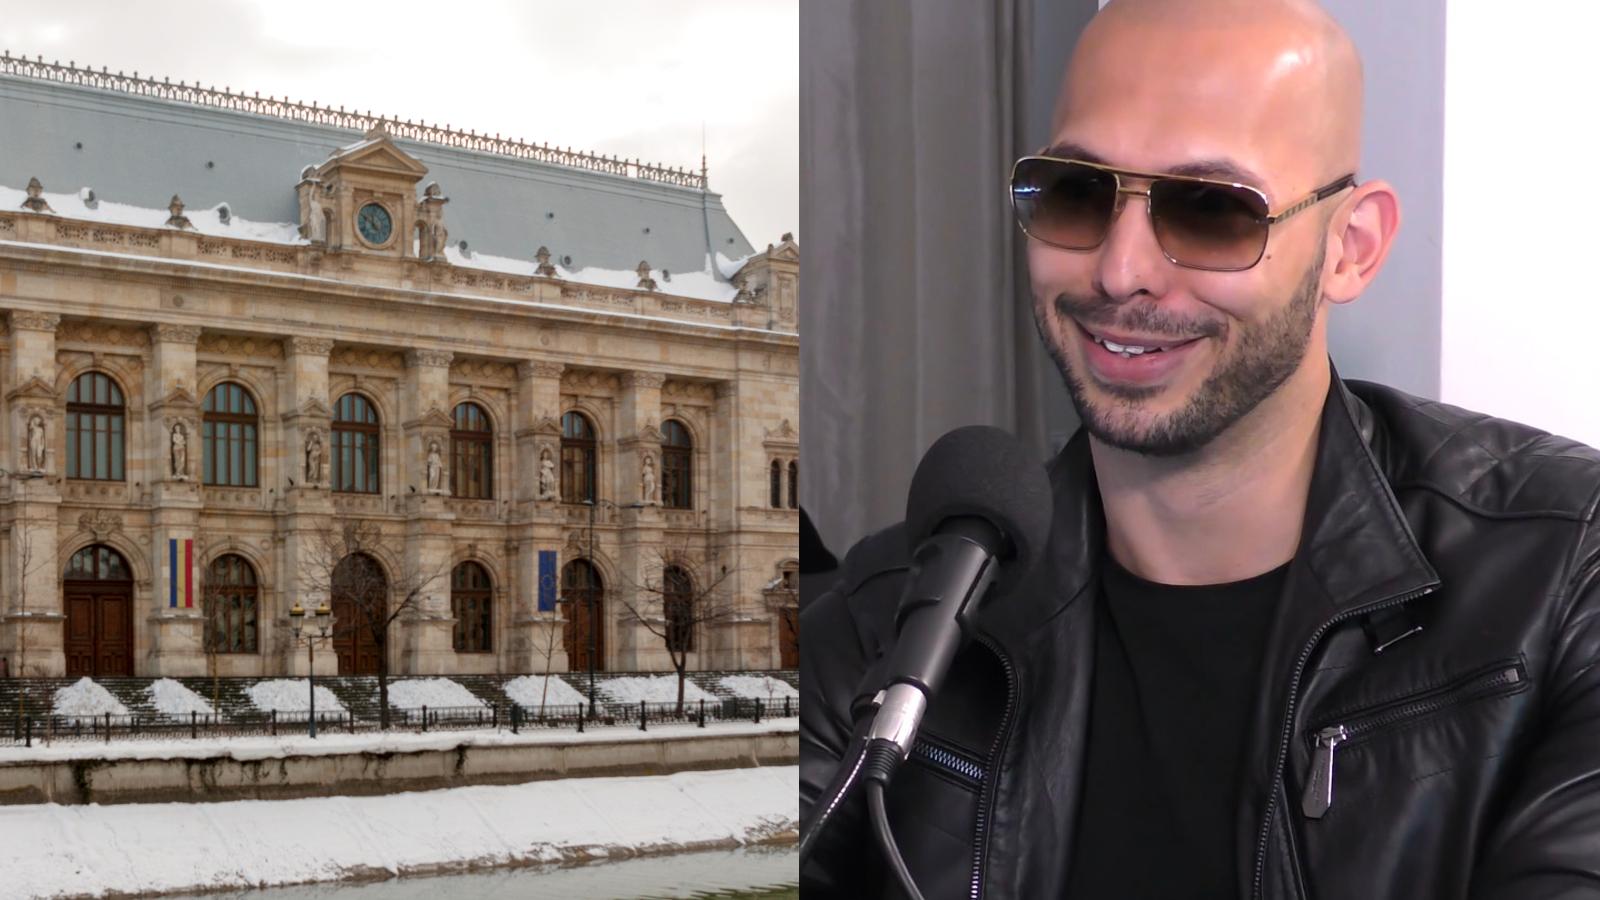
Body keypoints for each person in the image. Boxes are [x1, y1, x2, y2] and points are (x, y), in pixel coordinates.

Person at [799, 1, 1600, 898]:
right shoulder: (878, 629)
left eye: (1213, 210)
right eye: (1075, 192)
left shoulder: (1563, 569)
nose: (1119, 269)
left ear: (1351, 248)